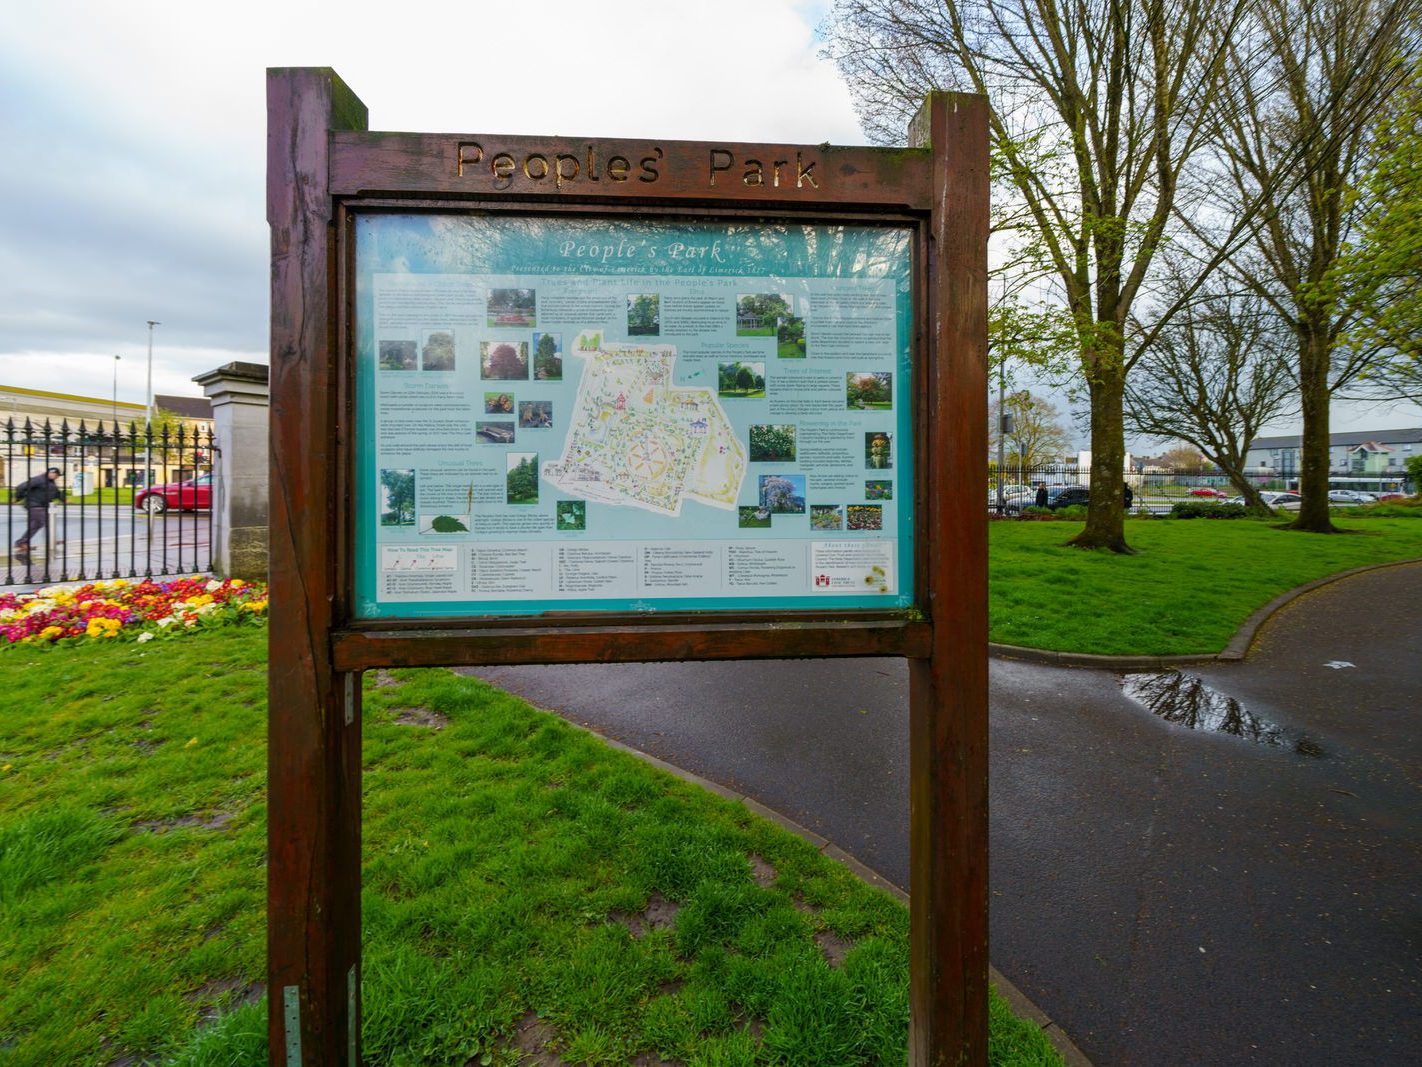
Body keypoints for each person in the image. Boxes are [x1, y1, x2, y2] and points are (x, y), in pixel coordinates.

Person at [12, 467, 64, 562]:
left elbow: (56, 493)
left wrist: (64, 499)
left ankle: (23, 542)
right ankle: (50, 541)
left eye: (57, 476)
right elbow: (21, 487)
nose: (57, 477)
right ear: (51, 473)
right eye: (56, 475)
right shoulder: (38, 480)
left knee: (37, 524)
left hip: (42, 505)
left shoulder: (51, 482)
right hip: (34, 505)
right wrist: (18, 498)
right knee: (43, 522)